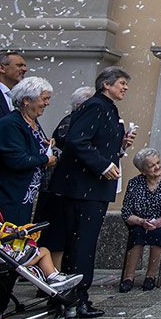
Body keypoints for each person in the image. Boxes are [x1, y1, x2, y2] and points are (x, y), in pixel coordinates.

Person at [48, 67, 134, 319]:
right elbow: (77, 140)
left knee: (82, 244)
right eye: (121, 83)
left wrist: (120, 146)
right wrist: (103, 165)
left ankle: (74, 296)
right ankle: (75, 298)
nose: (125, 87)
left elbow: (96, 142)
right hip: (83, 188)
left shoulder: (108, 108)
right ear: (105, 85)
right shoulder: (96, 106)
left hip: (92, 188)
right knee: (81, 245)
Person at [0, 77, 56, 225]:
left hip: (23, 196)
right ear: (26, 100)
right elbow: (17, 159)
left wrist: (46, 145)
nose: (47, 103)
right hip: (8, 195)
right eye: (44, 99)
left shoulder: (31, 121)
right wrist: (45, 160)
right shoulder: (11, 124)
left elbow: (30, 146)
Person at [36, 86, 95, 268]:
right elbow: (72, 147)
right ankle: (52, 271)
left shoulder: (80, 123)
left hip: (72, 186)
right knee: (57, 232)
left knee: (67, 232)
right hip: (62, 187)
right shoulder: (70, 123)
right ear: (81, 105)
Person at [0, 200, 79, 289]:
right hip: (12, 260)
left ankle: (52, 275)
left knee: (36, 253)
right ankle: (52, 277)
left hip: (8, 257)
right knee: (44, 251)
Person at [120, 147, 161, 293]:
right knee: (137, 234)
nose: (157, 167)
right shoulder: (134, 183)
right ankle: (128, 278)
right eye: (151, 165)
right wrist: (142, 221)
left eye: (158, 163)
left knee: (157, 234)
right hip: (141, 221)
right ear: (143, 171)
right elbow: (126, 212)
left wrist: (160, 221)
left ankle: (150, 276)